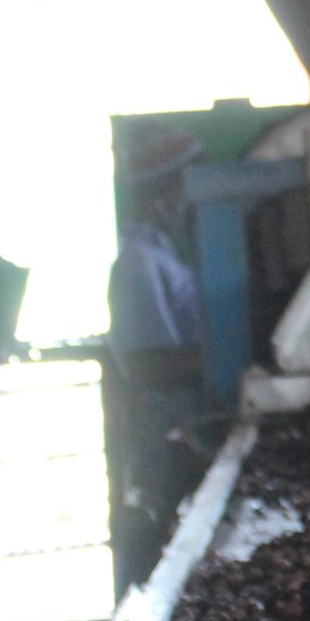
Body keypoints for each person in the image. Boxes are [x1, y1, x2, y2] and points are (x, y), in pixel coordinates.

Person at [106, 119, 210, 584]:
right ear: (164, 190)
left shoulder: (163, 254)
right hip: (166, 449)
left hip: (182, 439)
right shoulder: (137, 263)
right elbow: (147, 366)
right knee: (165, 569)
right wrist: (233, 360)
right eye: (189, 182)